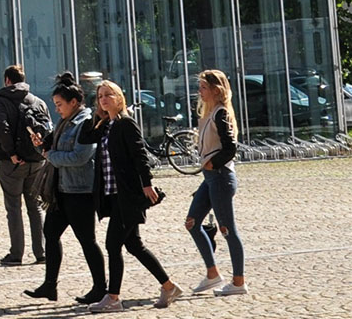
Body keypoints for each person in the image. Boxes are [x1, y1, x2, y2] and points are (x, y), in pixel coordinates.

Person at [79, 80, 183, 312]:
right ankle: (168, 286)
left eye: (108, 95)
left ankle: (113, 298)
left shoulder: (126, 123)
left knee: (112, 244)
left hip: (127, 194)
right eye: (100, 96)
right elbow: (85, 138)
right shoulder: (107, 125)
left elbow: (139, 155)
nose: (104, 99)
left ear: (119, 97)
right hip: (113, 195)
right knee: (134, 245)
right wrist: (97, 116)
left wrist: (147, 185)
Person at [24, 72, 106, 304]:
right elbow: (55, 146)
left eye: (60, 105)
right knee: (50, 234)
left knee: (87, 240)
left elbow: (81, 156)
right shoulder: (65, 121)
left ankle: (101, 287)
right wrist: (44, 144)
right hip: (61, 189)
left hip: (80, 191)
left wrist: (52, 156)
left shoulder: (85, 124)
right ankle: (50, 285)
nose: (57, 109)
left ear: (74, 103)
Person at [184, 69, 248, 297]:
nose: (199, 92)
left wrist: (213, 163)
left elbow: (231, 148)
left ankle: (238, 281)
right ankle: (213, 274)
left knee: (227, 229)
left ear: (215, 90)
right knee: (192, 223)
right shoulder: (209, 114)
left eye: (203, 87)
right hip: (210, 179)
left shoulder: (221, 113)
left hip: (220, 177)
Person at [0, 64, 51, 265]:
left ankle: (16, 253)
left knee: (13, 206)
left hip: (13, 162)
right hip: (36, 160)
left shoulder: (2, 100)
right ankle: (41, 252)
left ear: (7, 81)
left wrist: (11, 153)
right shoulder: (37, 101)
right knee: (35, 207)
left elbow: (2, 128)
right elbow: (47, 126)